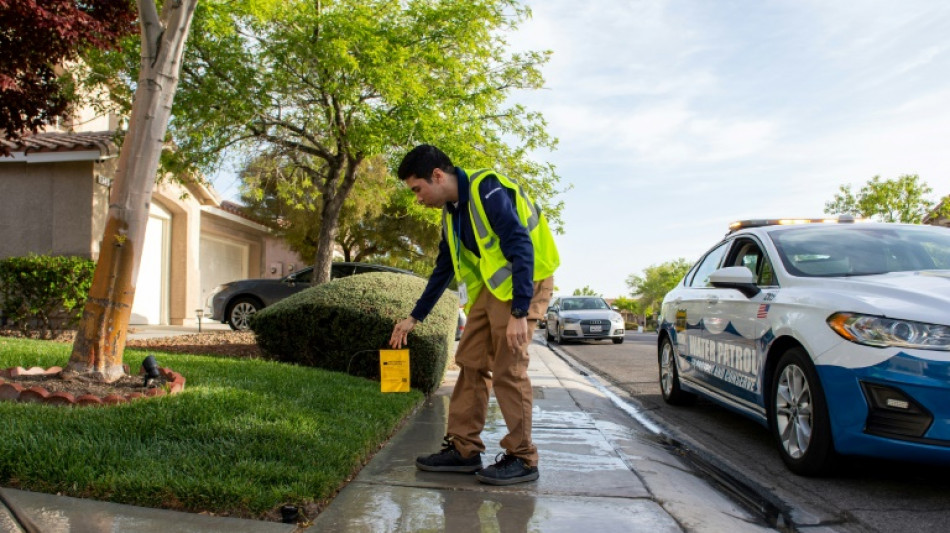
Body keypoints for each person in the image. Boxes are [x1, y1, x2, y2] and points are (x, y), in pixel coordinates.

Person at [389, 144, 558, 486]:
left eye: (417, 189)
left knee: (509, 368)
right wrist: (415, 317)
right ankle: (464, 450)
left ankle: (523, 457)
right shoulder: (451, 212)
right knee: (470, 362)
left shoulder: (487, 189)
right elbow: (443, 268)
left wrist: (519, 311)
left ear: (437, 176)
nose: (417, 198)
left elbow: (521, 245)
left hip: (526, 281)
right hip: (492, 290)